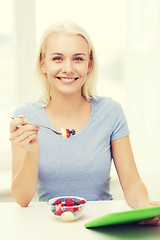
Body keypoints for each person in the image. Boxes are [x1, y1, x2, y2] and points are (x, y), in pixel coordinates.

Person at [10, 21, 160, 225]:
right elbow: (22, 198)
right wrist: (31, 151)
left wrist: (144, 208)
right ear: (43, 63)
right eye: (57, 58)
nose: (68, 68)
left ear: (89, 64)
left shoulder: (110, 111)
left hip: (102, 224)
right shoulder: (25, 118)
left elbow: (132, 182)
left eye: (78, 59)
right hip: (49, 228)